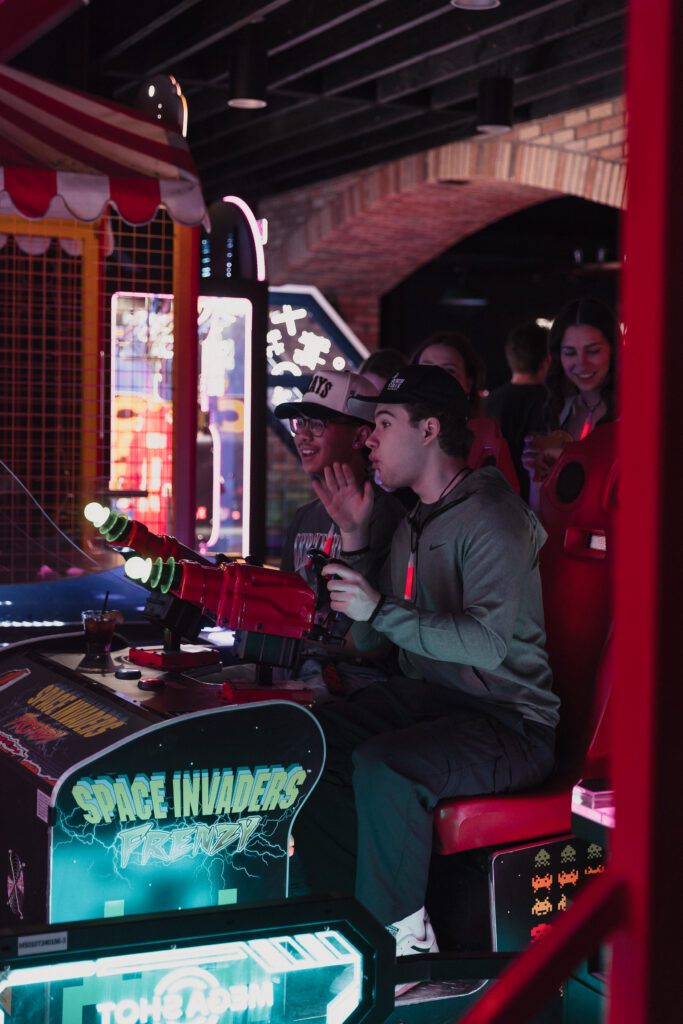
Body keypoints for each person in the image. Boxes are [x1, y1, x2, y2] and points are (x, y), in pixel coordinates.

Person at [293, 365, 559, 974]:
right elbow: (366, 640)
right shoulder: (415, 520)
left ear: (430, 429)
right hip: (438, 699)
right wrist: (357, 538)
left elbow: (488, 644)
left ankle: (404, 956)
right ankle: (346, 928)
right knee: (315, 741)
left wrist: (381, 606)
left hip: (511, 723)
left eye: (382, 425)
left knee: (387, 768)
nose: (367, 440)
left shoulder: (493, 514)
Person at [274, 369, 405, 699]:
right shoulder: (304, 516)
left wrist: (296, 633)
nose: (303, 435)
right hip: (295, 666)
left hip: (359, 680)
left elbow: (381, 641)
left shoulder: (389, 516)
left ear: (360, 438)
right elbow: (282, 606)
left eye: (317, 425)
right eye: (299, 423)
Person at [521, 298, 618, 489]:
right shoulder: (561, 410)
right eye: (570, 352)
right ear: (558, 357)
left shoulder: (638, 412)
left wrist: (571, 460)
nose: (581, 363)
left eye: (593, 351)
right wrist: (536, 473)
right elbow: (542, 510)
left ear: (614, 351)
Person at [486, 321, 550, 500]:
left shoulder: (488, 402)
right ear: (546, 361)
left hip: (494, 498)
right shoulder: (551, 402)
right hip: (536, 500)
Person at [411, 331, 486, 416]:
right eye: (426, 367)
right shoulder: (397, 425)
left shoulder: (482, 428)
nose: (435, 378)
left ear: (468, 384)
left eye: (449, 370)